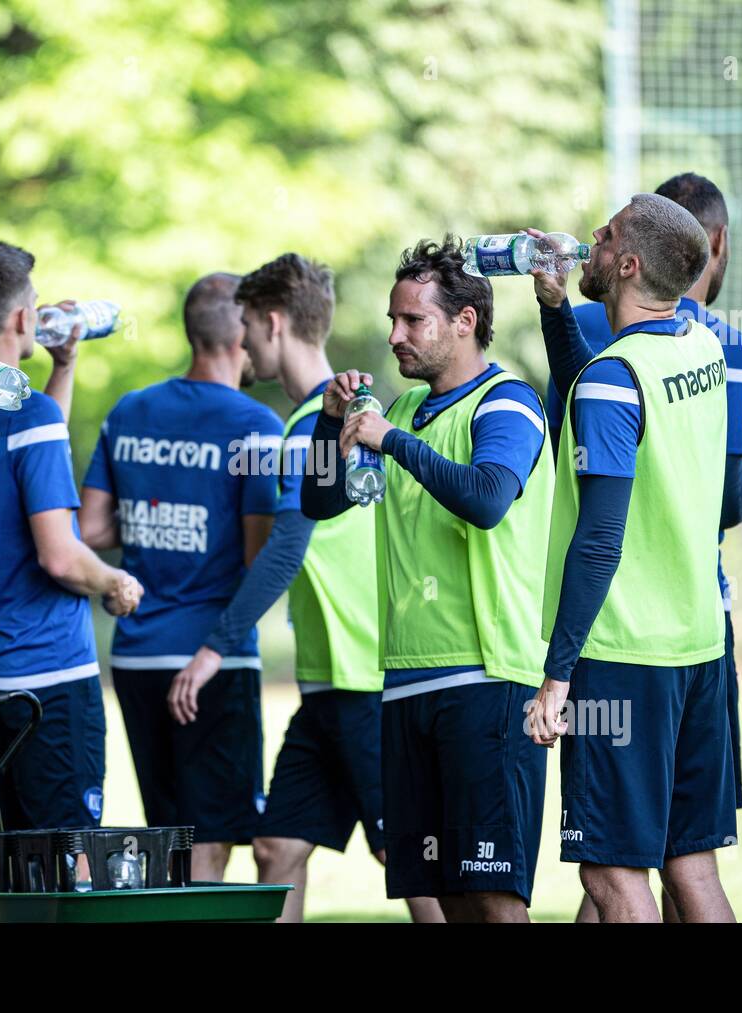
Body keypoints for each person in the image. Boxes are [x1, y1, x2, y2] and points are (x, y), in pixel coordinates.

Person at [302, 237, 554, 923]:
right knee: (445, 897)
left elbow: (486, 497)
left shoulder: (507, 403)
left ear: (465, 321)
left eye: (413, 320)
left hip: (487, 682)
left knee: (495, 897)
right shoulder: (407, 412)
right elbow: (321, 502)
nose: (394, 336)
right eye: (392, 319)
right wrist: (332, 429)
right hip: (408, 681)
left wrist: (390, 441)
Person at [541, 173, 742, 921]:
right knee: (689, 865)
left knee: (610, 875)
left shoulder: (617, 376)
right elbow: (595, 395)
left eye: (603, 237)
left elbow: (600, 539)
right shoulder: (700, 345)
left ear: (630, 264)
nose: (589, 244)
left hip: (623, 655)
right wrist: (552, 312)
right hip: (700, 642)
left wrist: (557, 674)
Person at [194, 252, 441, 923]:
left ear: (273, 323)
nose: (240, 342)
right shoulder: (323, 418)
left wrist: (213, 647)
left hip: (365, 680)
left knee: (408, 860)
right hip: (327, 684)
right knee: (276, 849)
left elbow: (283, 551)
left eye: (246, 324)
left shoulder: (317, 428)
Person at [0, 242, 142, 839]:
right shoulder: (31, 418)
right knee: (65, 858)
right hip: (45, 677)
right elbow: (59, 556)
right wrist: (114, 580)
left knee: (1, 853)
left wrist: (65, 367)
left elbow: (34, 444)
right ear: (24, 319)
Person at [79, 274, 282, 881]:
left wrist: (154, 512)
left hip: (137, 657)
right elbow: (259, 559)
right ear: (241, 332)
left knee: (166, 842)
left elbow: (88, 531)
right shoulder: (257, 424)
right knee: (211, 845)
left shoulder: (129, 410)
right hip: (212, 660)